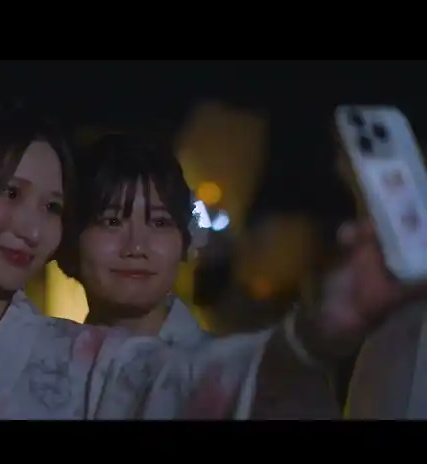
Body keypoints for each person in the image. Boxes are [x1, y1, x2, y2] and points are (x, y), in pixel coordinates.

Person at [56, 133, 427, 418]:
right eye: (111, 222)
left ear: (185, 241)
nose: (137, 245)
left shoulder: (252, 379)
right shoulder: (42, 361)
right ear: (69, 240)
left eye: (159, 222)